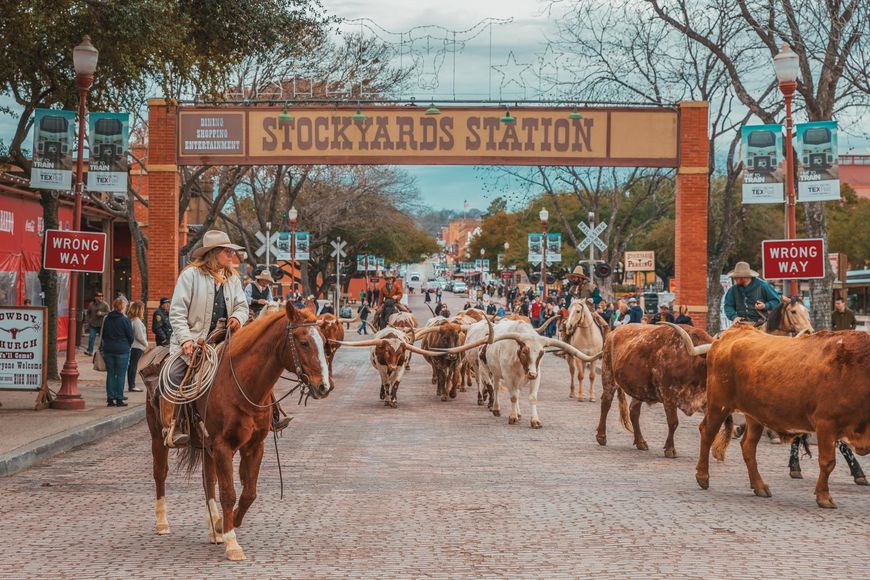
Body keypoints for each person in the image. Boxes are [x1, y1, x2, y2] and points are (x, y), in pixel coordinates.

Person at [163, 231, 253, 447]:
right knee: (174, 375)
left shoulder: (232, 278)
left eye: (232, 251)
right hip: (194, 341)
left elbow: (242, 306)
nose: (231, 255)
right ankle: (175, 425)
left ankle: (269, 416)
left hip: (225, 340)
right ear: (213, 253)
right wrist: (185, 340)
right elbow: (176, 311)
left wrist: (236, 318)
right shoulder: (190, 275)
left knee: (254, 367)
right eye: (227, 251)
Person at [101, 296, 134, 407]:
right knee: (120, 375)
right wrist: (127, 345)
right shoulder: (125, 320)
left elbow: (104, 334)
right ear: (123, 307)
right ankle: (119, 398)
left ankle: (110, 398)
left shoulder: (107, 318)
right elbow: (131, 336)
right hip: (122, 349)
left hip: (108, 349)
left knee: (110, 373)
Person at [126, 300, 147, 393]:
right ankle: (132, 385)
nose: (144, 310)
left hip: (133, 346)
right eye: (142, 308)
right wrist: (146, 344)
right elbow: (139, 336)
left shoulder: (132, 320)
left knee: (132, 366)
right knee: (133, 366)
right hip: (137, 346)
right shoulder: (137, 321)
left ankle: (131, 384)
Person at [84, 291, 109, 356]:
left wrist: (102, 313)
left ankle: (103, 351)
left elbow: (109, 313)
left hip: (102, 325)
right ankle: (90, 351)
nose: (100, 297)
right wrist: (88, 320)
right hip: (93, 324)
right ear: (95, 297)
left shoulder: (105, 304)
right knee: (91, 337)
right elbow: (88, 313)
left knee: (103, 339)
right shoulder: (91, 304)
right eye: (99, 296)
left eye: (101, 296)